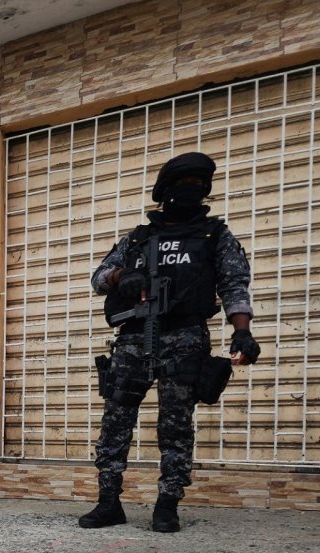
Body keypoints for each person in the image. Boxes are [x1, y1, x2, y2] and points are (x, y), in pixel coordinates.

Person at [81, 151, 259, 533]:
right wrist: (121, 277)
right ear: (165, 191)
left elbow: (234, 284)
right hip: (133, 337)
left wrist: (241, 329)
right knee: (116, 420)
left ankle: (167, 504)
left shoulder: (215, 236)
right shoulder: (140, 237)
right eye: (182, 185)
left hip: (185, 336)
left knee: (176, 425)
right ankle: (108, 502)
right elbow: (98, 277)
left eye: (197, 185)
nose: (190, 191)